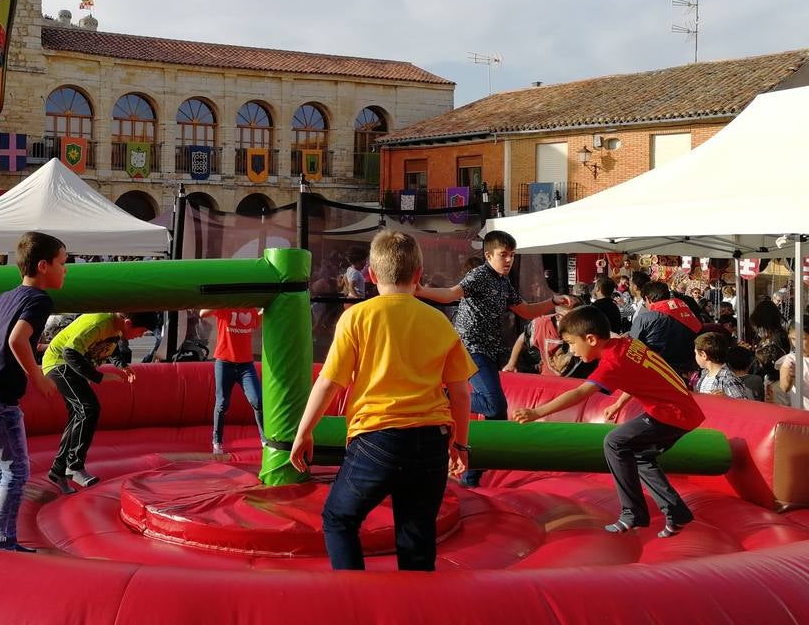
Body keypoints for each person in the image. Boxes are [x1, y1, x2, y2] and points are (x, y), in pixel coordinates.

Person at [289, 229, 474, 571]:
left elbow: (329, 383)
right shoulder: (439, 321)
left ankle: (355, 599)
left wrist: (304, 432)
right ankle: (413, 612)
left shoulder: (357, 316)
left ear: (372, 276)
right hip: (432, 437)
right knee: (417, 536)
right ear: (418, 276)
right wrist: (459, 444)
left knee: (339, 519)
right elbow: (461, 391)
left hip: (378, 437)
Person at [512, 305, 703, 537]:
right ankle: (676, 512)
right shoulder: (627, 344)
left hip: (672, 414)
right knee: (640, 455)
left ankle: (633, 512)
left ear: (591, 339)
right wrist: (619, 404)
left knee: (614, 442)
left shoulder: (611, 362)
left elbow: (579, 393)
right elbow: (641, 375)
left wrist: (537, 412)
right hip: (679, 410)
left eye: (572, 344)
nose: (572, 352)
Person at [415, 230, 573, 486]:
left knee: (495, 417)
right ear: (488, 255)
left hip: (487, 350)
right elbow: (451, 294)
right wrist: (421, 290)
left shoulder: (503, 282)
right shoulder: (479, 276)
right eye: (504, 255)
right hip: (469, 346)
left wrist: (553, 301)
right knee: (495, 405)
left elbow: (526, 310)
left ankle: (470, 474)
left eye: (512, 255)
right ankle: (440, 397)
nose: (509, 260)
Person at [0, 232, 65, 552]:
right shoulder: (39, 300)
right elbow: (17, 341)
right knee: (17, 470)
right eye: (63, 263)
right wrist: (39, 378)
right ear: (44, 266)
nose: (66, 269)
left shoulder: (5, 296)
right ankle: (3, 541)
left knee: (0, 467)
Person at [41, 310, 159, 491]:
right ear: (128, 323)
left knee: (78, 415)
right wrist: (99, 377)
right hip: (60, 363)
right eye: (142, 332)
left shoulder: (117, 328)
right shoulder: (99, 322)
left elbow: (110, 347)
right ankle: (74, 465)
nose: (141, 336)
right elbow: (69, 352)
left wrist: (122, 365)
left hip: (72, 366)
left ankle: (58, 470)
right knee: (89, 408)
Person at [198, 306, 263, 454]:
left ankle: (264, 439)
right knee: (222, 403)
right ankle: (217, 441)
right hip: (224, 362)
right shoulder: (225, 307)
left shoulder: (250, 309)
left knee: (257, 400)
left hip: (245, 365)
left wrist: (266, 309)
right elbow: (203, 313)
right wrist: (221, 301)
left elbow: (257, 322)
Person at [629, 281, 701, 378]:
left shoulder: (644, 318)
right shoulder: (686, 312)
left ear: (647, 298)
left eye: (644, 303)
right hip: (688, 371)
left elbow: (631, 346)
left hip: (657, 371)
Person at [692, 331, 750, 399]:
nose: (695, 356)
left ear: (703, 355)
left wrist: (727, 400)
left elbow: (742, 405)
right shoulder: (704, 375)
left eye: (696, 353)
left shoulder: (728, 379)